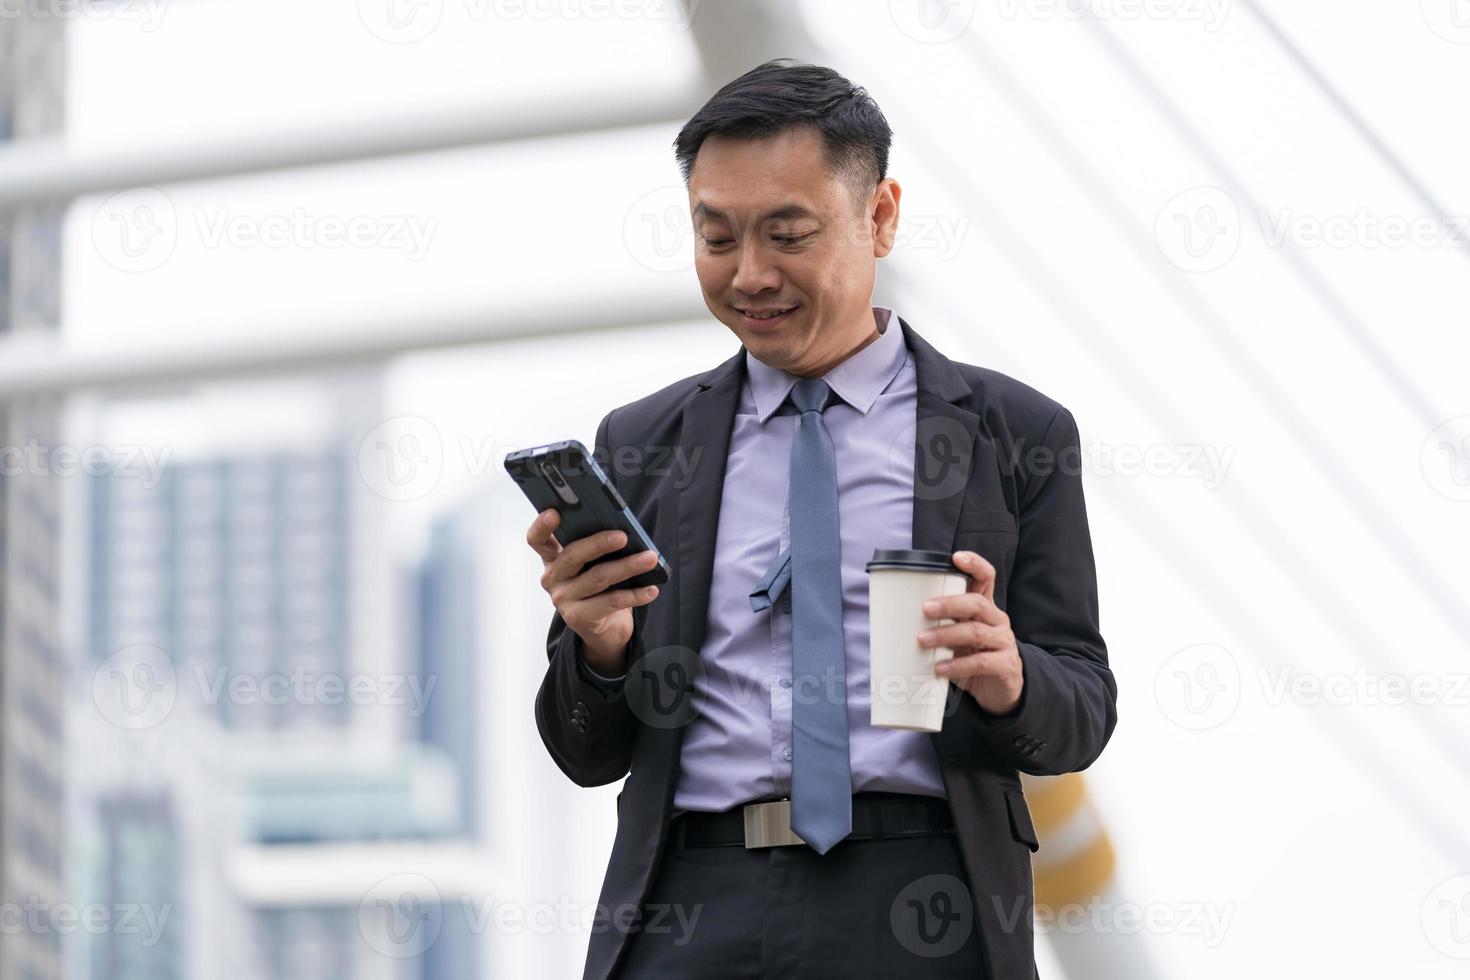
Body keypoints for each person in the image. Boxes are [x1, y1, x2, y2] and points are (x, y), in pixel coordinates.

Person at [525, 59, 1117, 980]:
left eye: (787, 234)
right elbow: (586, 753)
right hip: (690, 904)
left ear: (879, 216)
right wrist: (599, 650)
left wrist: (1008, 676)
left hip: (926, 903)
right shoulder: (643, 442)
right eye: (715, 237)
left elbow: (1081, 704)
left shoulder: (1014, 435)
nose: (750, 274)